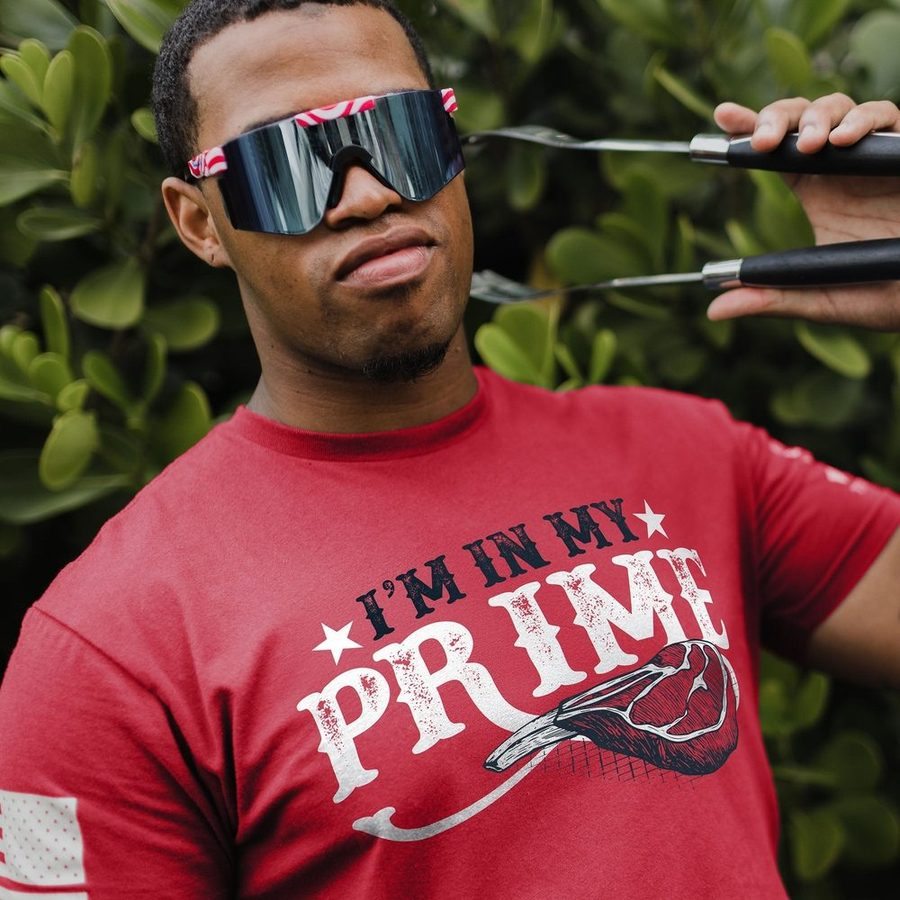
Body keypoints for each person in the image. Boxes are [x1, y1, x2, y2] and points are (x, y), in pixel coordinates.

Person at [0, 1, 897, 897]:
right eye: (286, 162)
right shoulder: (108, 645)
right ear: (200, 223)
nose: (368, 195)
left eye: (399, 133)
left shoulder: (683, 451)